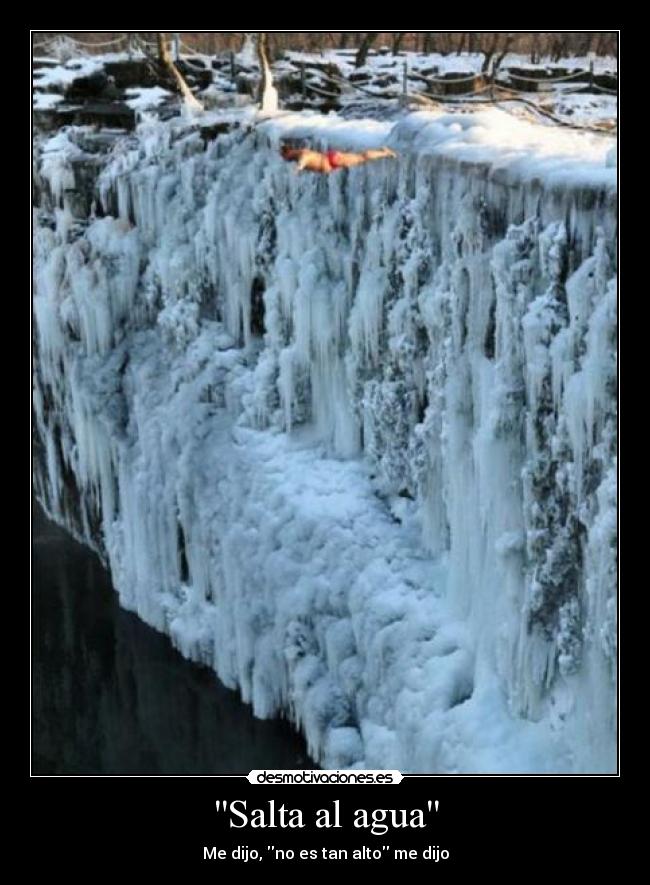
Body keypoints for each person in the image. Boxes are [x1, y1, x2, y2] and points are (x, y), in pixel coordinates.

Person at [280, 143, 397, 173]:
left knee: (360, 158)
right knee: (360, 158)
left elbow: (306, 157)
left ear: (288, 152)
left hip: (332, 160)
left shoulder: (300, 154)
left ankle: (385, 153)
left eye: (283, 156)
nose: (283, 159)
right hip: (331, 161)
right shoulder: (295, 155)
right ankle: (383, 152)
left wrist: (299, 166)